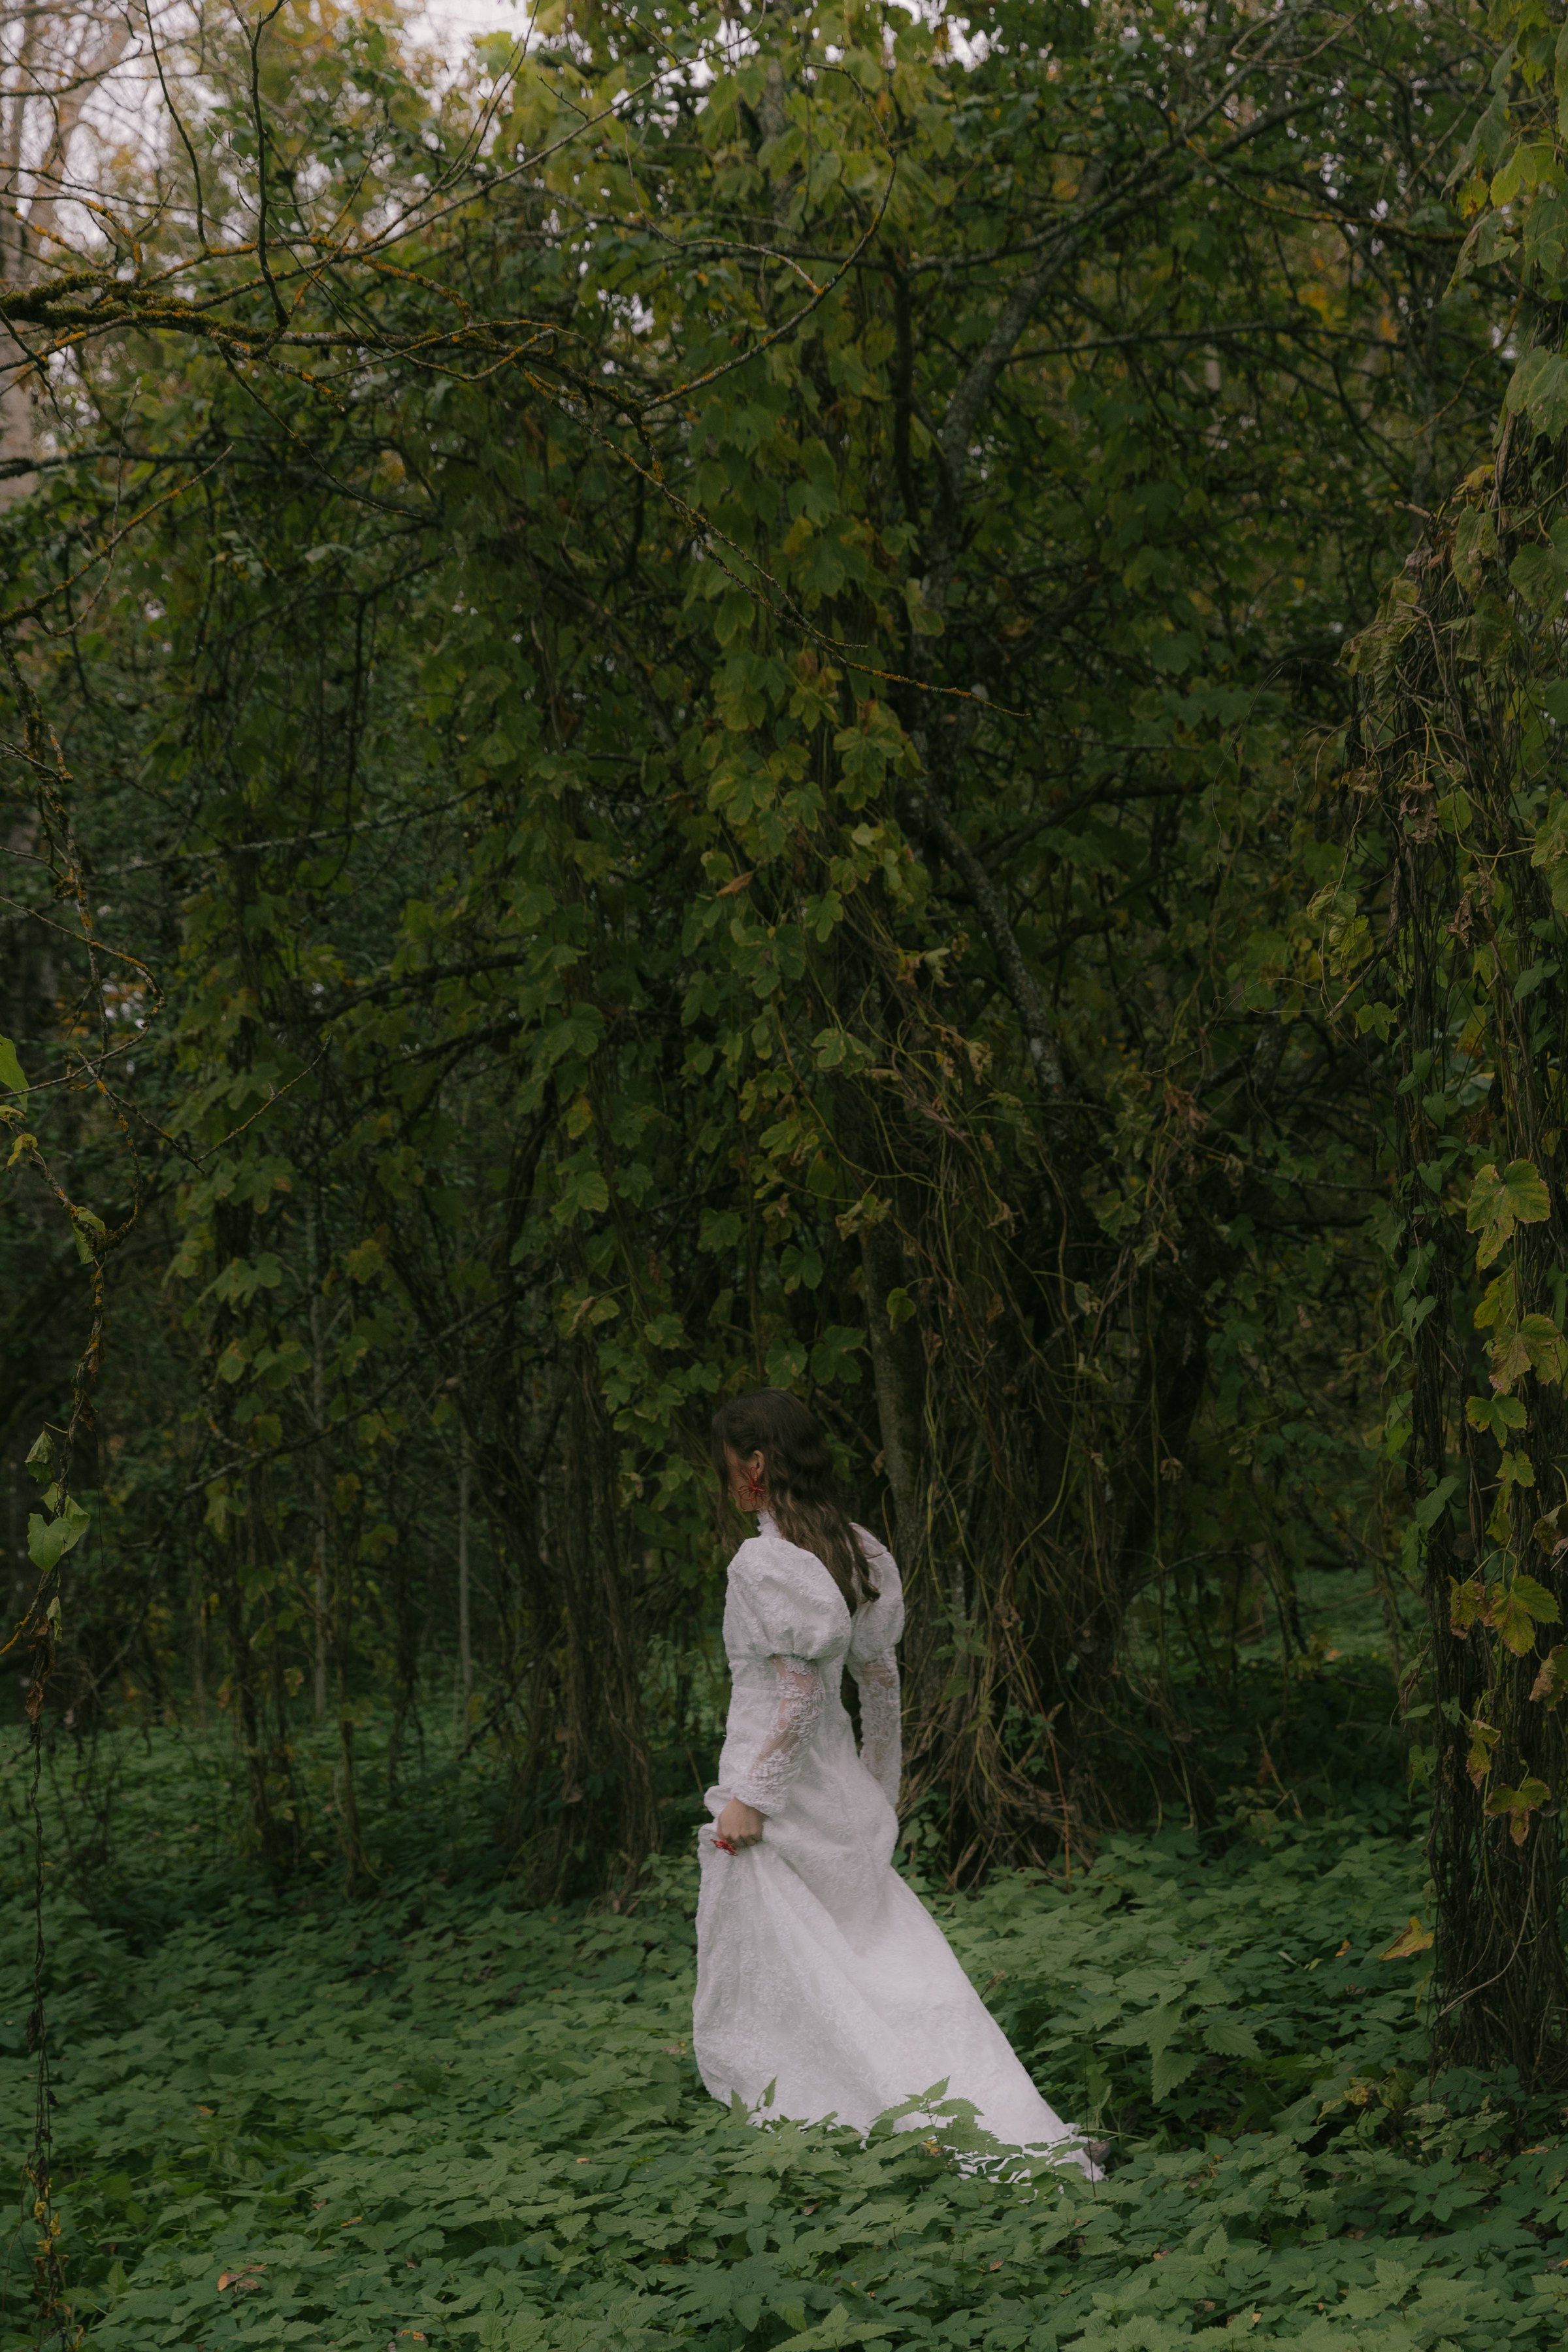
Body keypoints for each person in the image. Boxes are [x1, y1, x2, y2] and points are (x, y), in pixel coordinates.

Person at [693, 1387, 1094, 2172]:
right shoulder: (860, 1550)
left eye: (729, 1464)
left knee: (816, 1974)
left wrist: (751, 1800)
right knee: (883, 1967)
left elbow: (800, 1697)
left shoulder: (764, 1563)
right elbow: (880, 1681)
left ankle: (863, 2115)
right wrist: (877, 1790)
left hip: (780, 1795)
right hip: (839, 1788)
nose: (727, 1479)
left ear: (757, 1465)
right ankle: (997, 2122)